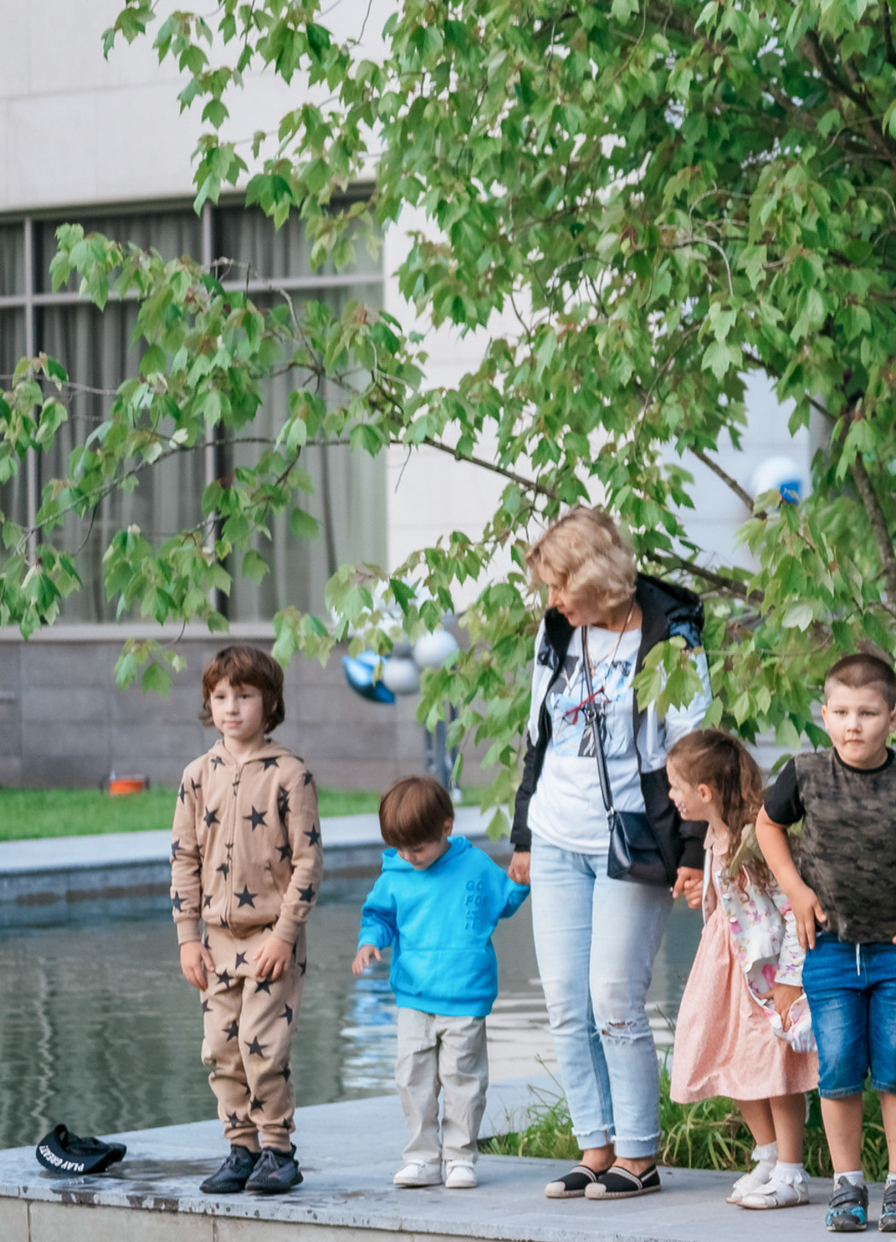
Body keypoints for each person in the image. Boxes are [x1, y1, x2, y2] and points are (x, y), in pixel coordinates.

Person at [509, 506, 709, 1203]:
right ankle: (595, 1148)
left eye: (561, 586)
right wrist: (524, 833)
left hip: (634, 835)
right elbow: (538, 733)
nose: (554, 601)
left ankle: (639, 1154)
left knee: (615, 1000)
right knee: (566, 1002)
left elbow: (691, 749)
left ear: (595, 577)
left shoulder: (671, 634)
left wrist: (693, 849)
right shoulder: (560, 628)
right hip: (558, 831)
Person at [755, 652, 896, 1234]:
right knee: (839, 1068)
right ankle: (847, 1185)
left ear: (892, 717)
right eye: (841, 712)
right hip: (830, 949)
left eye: (867, 713)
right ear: (824, 714)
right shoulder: (806, 773)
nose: (853, 725)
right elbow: (768, 826)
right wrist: (794, 890)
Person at [176, 646, 323, 1197]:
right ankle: (242, 1147)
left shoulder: (290, 774)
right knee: (220, 1047)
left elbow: (308, 860)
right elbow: (183, 857)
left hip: (270, 938)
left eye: (244, 696)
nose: (231, 707)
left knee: (263, 1047)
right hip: (214, 941)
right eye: (220, 697)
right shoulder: (196, 776)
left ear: (270, 702)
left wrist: (286, 933)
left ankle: (278, 1151)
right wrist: (188, 938)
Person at [664, 729, 823, 1212]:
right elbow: (732, 902)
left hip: (764, 973)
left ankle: (793, 1170)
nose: (671, 795)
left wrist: (791, 981)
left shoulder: (758, 839)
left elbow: (794, 911)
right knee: (733, 1060)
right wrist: (706, 895)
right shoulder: (715, 836)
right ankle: (768, 1156)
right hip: (724, 971)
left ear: (704, 793)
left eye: (675, 786)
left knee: (774, 1068)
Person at [353, 775, 527, 1191]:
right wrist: (369, 941)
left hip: (466, 995)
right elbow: (378, 916)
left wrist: (521, 880)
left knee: (462, 1078)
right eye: (400, 848)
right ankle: (422, 1157)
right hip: (414, 995)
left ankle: (460, 1156)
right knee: (413, 1077)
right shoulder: (396, 872)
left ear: (446, 827)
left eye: (418, 848)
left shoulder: (473, 864)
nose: (410, 857)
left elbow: (504, 899)